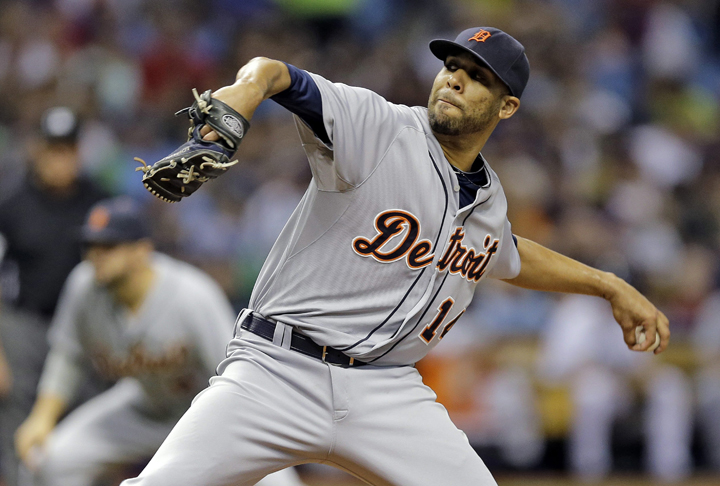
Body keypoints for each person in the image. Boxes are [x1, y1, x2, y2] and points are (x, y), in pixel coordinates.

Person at [122, 27, 670, 486]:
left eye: (477, 76)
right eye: (451, 65)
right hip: (275, 372)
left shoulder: (489, 201)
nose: (454, 77)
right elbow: (271, 72)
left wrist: (608, 284)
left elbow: (508, 253)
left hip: (386, 391)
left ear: (508, 106)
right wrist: (236, 106)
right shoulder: (379, 126)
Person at [14, 197, 306, 486]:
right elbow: (69, 355)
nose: (96, 256)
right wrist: (42, 417)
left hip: (205, 414)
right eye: (91, 246)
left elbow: (237, 372)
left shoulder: (191, 295)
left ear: (142, 250)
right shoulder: (84, 286)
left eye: (109, 246)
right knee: (51, 463)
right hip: (144, 407)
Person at [0, 107, 107, 486]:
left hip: (85, 332)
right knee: (18, 417)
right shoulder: (11, 203)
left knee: (89, 418)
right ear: (37, 150)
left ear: (78, 152)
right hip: (25, 325)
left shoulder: (100, 204)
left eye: (68, 149)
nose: (60, 159)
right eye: (53, 149)